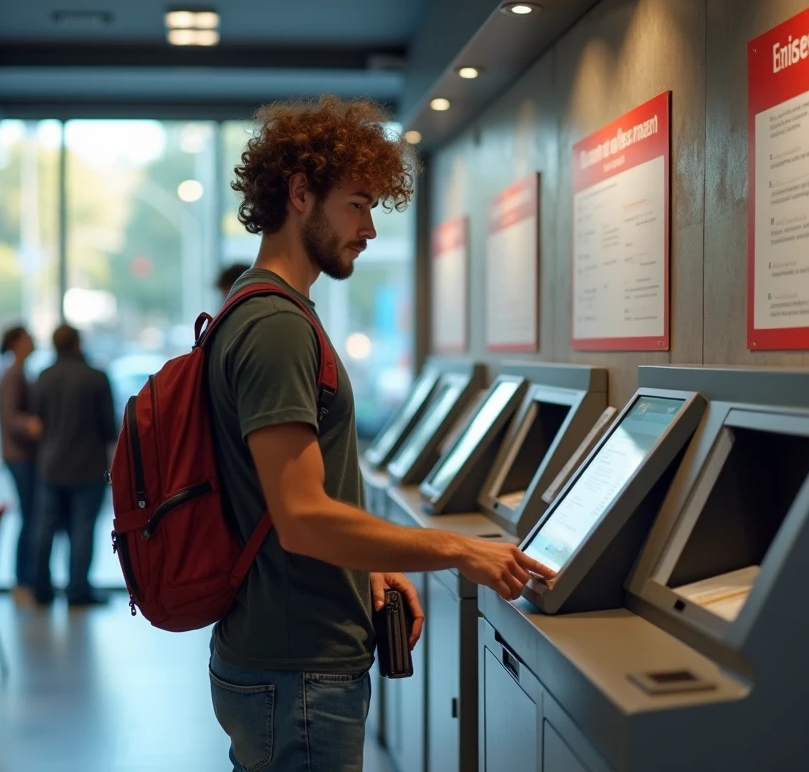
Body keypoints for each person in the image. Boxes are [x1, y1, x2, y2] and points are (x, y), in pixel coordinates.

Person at [207, 95, 554, 772]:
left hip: (288, 656)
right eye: (357, 205)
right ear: (300, 194)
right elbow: (303, 519)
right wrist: (458, 549)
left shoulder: (268, 310)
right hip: (300, 666)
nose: (369, 228)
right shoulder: (276, 327)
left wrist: (362, 561)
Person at [30, 324, 116, 607]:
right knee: (83, 529)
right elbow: (109, 426)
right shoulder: (96, 377)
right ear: (78, 344)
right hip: (88, 466)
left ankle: (41, 589)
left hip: (51, 465)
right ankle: (77, 591)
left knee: (44, 529)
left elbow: (38, 420)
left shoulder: (44, 377)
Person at [0, 325, 43, 600]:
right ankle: (22, 581)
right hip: (20, 456)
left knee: (31, 516)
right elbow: (11, 416)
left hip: (24, 455)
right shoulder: (13, 375)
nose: (33, 341)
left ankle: (26, 579)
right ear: (16, 343)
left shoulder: (22, 372)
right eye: (28, 338)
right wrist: (32, 424)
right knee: (29, 517)